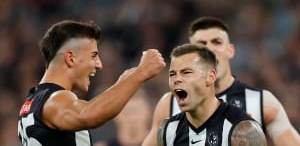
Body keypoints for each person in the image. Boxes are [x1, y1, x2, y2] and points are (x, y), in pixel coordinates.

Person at [142, 16, 300, 146]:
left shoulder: (261, 102)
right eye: (201, 45)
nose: (209, 49)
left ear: (230, 50)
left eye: (216, 42)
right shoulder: (168, 105)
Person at [17, 20, 166, 146]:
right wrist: (141, 74)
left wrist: (123, 83)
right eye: (93, 55)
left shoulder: (33, 101)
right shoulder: (54, 100)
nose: (99, 64)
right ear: (70, 58)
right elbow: (88, 115)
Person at [158, 43, 266, 145]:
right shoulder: (168, 130)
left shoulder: (242, 131)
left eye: (186, 72)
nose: (176, 79)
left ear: (210, 77)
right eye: (172, 74)